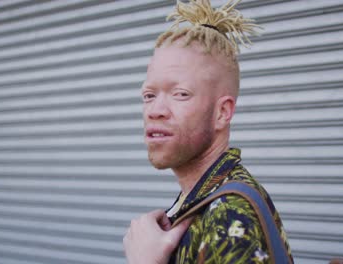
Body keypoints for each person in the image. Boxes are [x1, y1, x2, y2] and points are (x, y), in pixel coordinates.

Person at [123, 0, 293, 263]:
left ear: (222, 113)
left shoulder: (229, 216)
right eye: (148, 95)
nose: (155, 110)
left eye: (180, 94)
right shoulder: (198, 200)